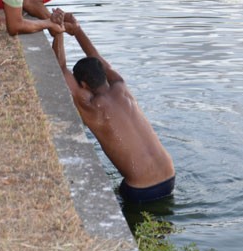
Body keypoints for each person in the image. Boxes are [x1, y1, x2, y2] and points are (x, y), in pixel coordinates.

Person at [51, 12, 175, 204]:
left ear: (83, 85)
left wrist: (58, 31)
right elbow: (97, 58)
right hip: (170, 175)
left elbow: (59, 68)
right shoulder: (121, 86)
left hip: (140, 189)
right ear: (103, 74)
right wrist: (77, 30)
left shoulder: (90, 105)